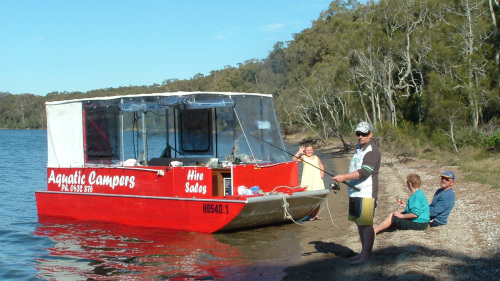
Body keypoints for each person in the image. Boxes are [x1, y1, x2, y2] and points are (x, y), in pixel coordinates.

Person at [332, 121, 381, 265]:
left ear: (370, 134)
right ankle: (362, 252)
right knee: (359, 224)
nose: (360, 137)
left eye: (364, 134)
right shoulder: (359, 148)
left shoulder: (373, 151)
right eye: (358, 134)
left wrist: (343, 177)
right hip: (354, 193)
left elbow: (365, 172)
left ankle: (366, 256)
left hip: (366, 193)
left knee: (366, 224)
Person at [294, 144, 325, 220]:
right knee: (309, 199)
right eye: (307, 150)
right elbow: (294, 160)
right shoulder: (303, 157)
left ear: (313, 150)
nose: (309, 151)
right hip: (307, 180)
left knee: (318, 198)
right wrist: (299, 152)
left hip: (317, 180)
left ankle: (316, 214)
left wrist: (322, 173)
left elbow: (321, 166)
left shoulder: (316, 157)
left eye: (310, 150)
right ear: (305, 151)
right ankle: (311, 215)